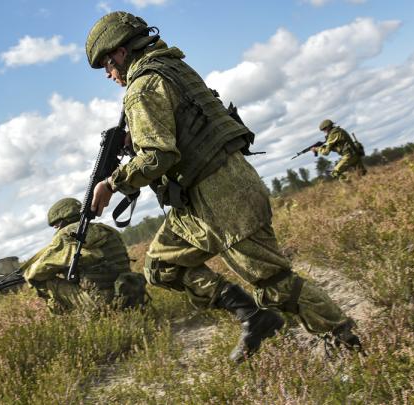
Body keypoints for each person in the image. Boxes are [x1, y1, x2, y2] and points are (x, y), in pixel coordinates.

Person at [85, 11, 362, 362]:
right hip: (199, 203)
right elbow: (180, 128)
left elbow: (158, 157)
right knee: (160, 266)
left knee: (274, 283)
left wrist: (112, 183)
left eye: (107, 65)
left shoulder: (143, 86)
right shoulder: (171, 68)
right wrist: (133, 140)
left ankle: (346, 342)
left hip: (223, 198)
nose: (110, 75)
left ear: (121, 53)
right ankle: (254, 317)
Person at [23, 197, 145, 314]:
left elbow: (35, 273)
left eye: (56, 224)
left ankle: (71, 320)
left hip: (100, 302)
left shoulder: (66, 235)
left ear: (63, 220)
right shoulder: (108, 230)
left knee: (41, 282)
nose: (55, 228)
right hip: (130, 293)